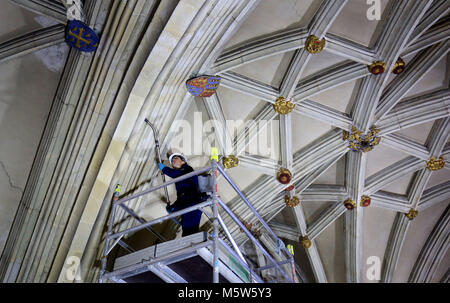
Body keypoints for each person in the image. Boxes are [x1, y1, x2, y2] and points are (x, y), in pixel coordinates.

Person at [158, 153, 204, 237]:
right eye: (172, 161)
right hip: (188, 204)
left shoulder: (187, 169)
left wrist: (165, 169)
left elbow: (178, 174)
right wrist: (173, 208)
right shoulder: (179, 178)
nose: (173, 161)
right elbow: (182, 198)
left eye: (175, 158)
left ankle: (195, 245)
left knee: (191, 229)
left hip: (194, 202)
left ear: (183, 161)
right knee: (186, 230)